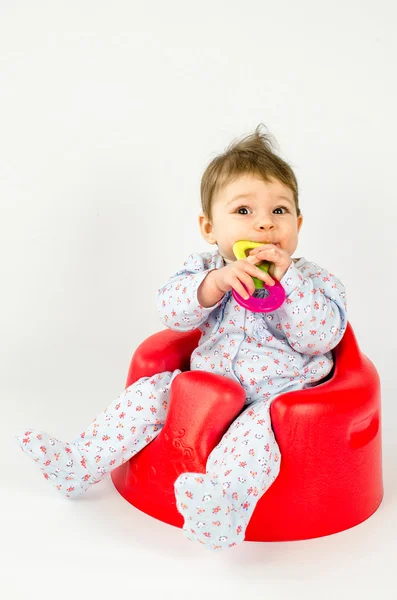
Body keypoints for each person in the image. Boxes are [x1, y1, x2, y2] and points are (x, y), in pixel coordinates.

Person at [15, 124, 348, 552]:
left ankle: (223, 507)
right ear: (210, 227)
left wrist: (293, 284)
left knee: (254, 437)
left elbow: (320, 339)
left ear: (298, 224)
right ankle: (81, 463)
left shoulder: (315, 280)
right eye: (244, 211)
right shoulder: (205, 268)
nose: (265, 223)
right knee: (148, 393)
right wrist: (215, 283)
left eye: (280, 212)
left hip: (278, 397)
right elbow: (171, 311)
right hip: (206, 386)